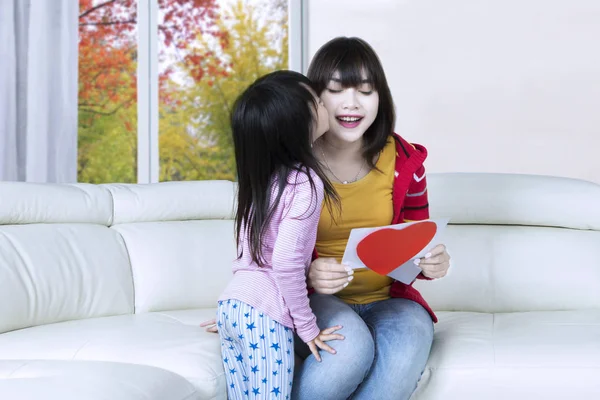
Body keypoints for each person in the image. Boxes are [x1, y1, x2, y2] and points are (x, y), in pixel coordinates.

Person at [290, 37, 451, 400]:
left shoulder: (406, 162)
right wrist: (309, 272)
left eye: (365, 91)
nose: (351, 103)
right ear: (316, 99)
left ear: (381, 97)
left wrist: (432, 263)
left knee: (403, 353)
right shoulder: (294, 164)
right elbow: (267, 249)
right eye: (335, 90)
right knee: (351, 348)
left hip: (392, 300)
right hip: (317, 300)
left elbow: (414, 241)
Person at [214, 70, 344, 400]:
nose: (325, 102)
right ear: (299, 126)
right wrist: (307, 326)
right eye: (316, 101)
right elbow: (285, 263)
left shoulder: (261, 180)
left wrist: (237, 301)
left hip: (232, 305)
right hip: (263, 314)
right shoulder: (306, 182)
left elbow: (248, 252)